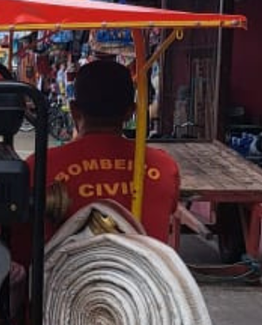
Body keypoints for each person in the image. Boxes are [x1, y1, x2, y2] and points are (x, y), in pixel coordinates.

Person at [19, 59, 181, 252]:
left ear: (73, 110)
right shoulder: (163, 167)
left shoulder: (39, 166)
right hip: (147, 276)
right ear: (131, 112)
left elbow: (21, 249)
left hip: (63, 278)